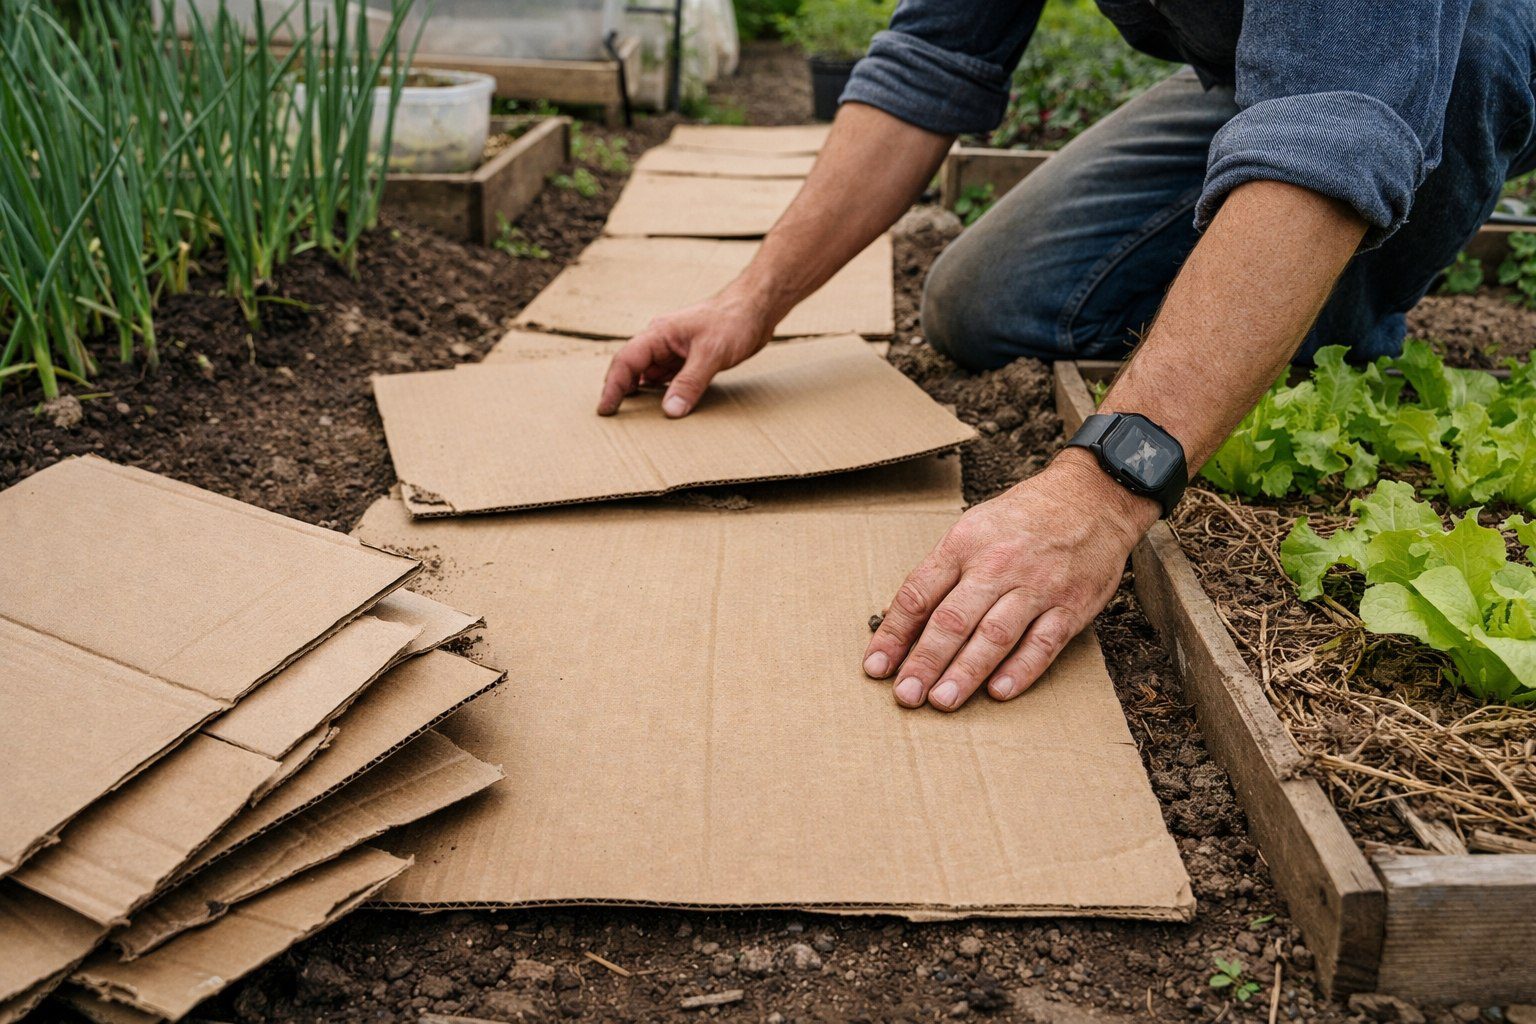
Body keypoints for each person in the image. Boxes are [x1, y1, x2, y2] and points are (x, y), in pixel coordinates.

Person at [595, 0, 1536, 713]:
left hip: (1430, 58)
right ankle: (1261, 274)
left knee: (1455, 70)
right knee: (979, 305)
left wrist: (1108, 482)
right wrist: (752, 297)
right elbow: (933, 55)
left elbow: (1340, 122)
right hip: (1258, 81)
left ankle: (1334, 329)